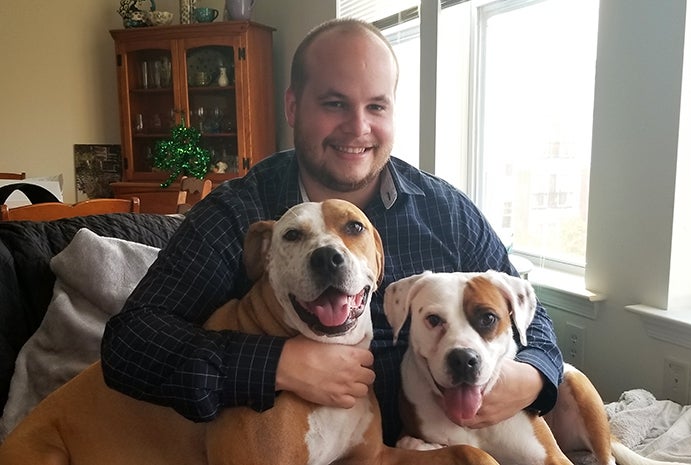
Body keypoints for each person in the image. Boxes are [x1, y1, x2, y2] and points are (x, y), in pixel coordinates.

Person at [101, 18, 563, 445]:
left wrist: (532, 379)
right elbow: (130, 343)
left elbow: (529, 313)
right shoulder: (238, 212)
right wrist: (276, 365)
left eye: (376, 106)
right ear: (293, 106)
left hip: (423, 444)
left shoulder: (446, 212)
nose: (358, 127)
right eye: (335, 103)